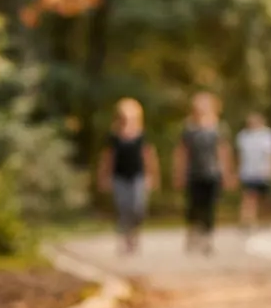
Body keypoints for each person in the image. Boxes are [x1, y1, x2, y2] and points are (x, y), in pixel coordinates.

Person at [173, 92, 236, 254]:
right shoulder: (189, 128)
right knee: (194, 206)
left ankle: (207, 238)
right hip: (194, 173)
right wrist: (179, 173)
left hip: (212, 173)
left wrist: (227, 173)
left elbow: (223, 151)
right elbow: (182, 152)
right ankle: (193, 233)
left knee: (209, 207)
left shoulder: (218, 128)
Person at [96, 98, 160, 255]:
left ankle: (135, 233)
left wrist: (153, 175)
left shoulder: (142, 136)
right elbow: (107, 158)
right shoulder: (113, 137)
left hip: (138, 176)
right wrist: (103, 176)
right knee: (123, 208)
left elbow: (149, 157)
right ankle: (125, 238)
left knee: (138, 207)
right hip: (120, 177)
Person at [235, 112, 271, 232]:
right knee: (248, 197)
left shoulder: (268, 136)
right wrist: (238, 169)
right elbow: (240, 154)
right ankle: (246, 221)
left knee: (265, 198)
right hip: (248, 172)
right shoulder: (243, 136)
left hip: (264, 171)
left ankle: (266, 220)